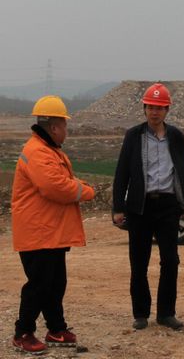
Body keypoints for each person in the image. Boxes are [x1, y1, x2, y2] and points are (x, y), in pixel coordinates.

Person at [11, 96, 95, 355]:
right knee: (39, 285)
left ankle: (56, 329)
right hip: (39, 232)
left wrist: (77, 185)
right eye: (65, 125)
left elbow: (59, 180)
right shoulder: (38, 152)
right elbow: (55, 187)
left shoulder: (47, 150)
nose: (67, 130)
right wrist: (86, 190)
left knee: (55, 284)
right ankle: (23, 333)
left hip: (49, 232)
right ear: (55, 128)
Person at [113, 84, 184, 331]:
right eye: (150, 107)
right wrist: (118, 207)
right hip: (140, 206)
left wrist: (183, 203)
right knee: (139, 262)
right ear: (144, 109)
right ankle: (141, 313)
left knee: (170, 260)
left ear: (167, 110)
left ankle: (166, 313)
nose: (154, 112)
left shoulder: (176, 137)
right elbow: (122, 172)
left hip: (168, 205)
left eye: (159, 108)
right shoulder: (133, 136)